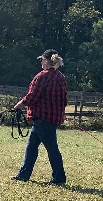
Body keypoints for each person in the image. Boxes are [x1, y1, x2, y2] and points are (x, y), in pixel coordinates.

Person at [12, 49, 68, 185]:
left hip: (42, 118)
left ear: (47, 61)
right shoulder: (61, 77)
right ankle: (23, 174)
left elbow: (32, 96)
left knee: (52, 148)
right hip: (51, 118)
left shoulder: (42, 76)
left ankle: (59, 177)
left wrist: (20, 104)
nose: (41, 62)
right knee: (31, 147)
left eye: (42, 59)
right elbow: (64, 100)